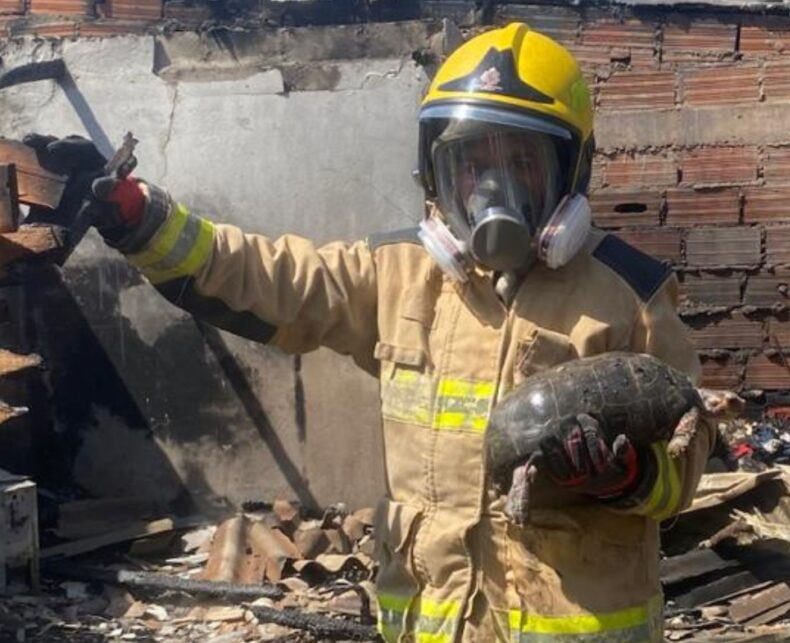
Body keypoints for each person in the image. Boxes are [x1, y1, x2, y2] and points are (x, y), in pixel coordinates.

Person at [29, 22, 715, 643]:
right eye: (473, 163)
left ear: (571, 170)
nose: (493, 188)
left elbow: (685, 470)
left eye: (522, 162)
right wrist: (136, 215)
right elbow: (269, 278)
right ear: (438, 171)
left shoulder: (629, 295)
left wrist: (625, 476)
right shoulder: (398, 275)